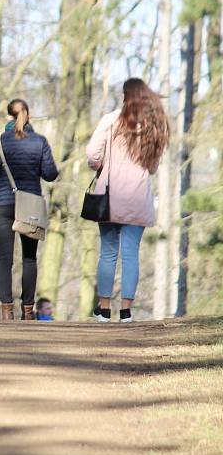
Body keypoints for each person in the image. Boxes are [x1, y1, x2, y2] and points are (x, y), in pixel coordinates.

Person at [87, 78, 169, 323]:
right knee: (131, 253)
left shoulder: (110, 120)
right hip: (138, 196)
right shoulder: (152, 125)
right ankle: (126, 311)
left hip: (110, 196)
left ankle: (103, 309)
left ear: (123, 94)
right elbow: (153, 166)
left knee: (108, 252)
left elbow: (92, 154)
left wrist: (101, 166)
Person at [0, 99, 58, 320]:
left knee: (5, 259)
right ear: (29, 117)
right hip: (30, 205)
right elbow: (51, 174)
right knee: (29, 258)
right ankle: (27, 311)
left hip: (2, 204)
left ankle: (7, 310)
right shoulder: (40, 142)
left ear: (8, 118)